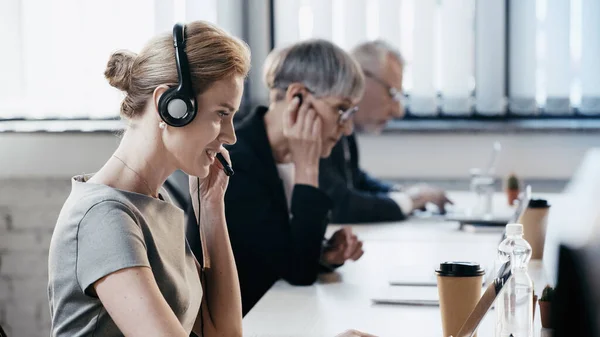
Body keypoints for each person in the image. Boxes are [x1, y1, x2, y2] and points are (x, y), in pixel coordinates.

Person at [47, 21, 251, 337]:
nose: (231, 136)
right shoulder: (103, 217)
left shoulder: (151, 204)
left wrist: (211, 209)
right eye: (221, 114)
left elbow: (223, 333)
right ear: (171, 107)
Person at [224, 40, 366, 316]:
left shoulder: (297, 154)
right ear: (297, 96)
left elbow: (282, 256)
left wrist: (324, 253)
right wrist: (307, 170)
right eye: (341, 109)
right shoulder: (237, 164)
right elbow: (299, 273)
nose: (348, 128)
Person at [319, 40, 451, 224]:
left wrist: (402, 193)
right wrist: (412, 200)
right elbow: (340, 205)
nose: (398, 111)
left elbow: (355, 179)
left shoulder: (343, 127)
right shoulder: (318, 124)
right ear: (360, 77)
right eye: (392, 93)